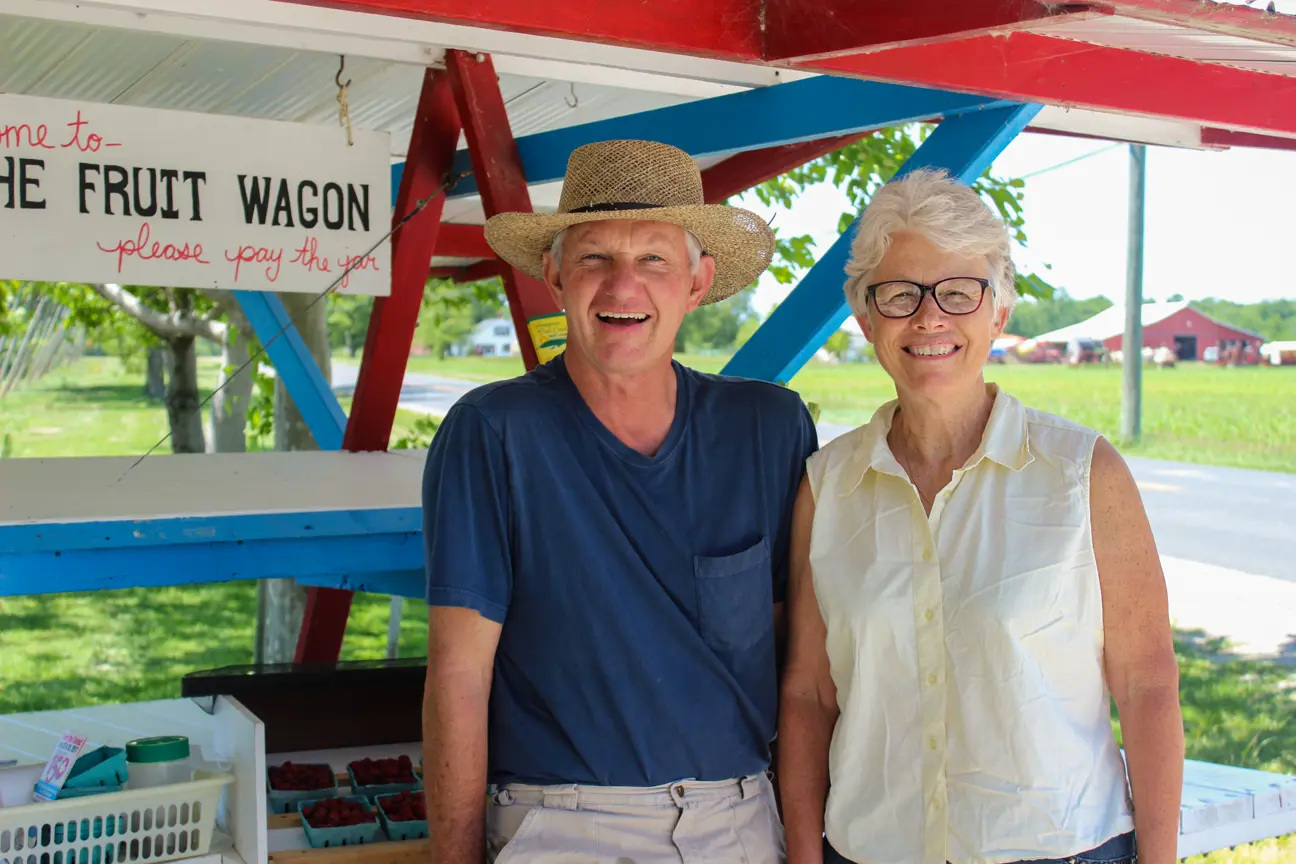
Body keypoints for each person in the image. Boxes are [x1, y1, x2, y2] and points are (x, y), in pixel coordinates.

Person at [421, 139, 817, 864]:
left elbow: (802, 669)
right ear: (556, 274)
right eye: (595, 257)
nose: (622, 287)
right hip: (562, 824)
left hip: (738, 821)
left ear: (697, 284)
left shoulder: (768, 427)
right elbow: (457, 673)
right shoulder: (493, 432)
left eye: (654, 261)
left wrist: (803, 844)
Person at [778, 168, 1183, 864]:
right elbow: (811, 694)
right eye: (901, 293)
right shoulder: (827, 486)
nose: (930, 317)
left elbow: (1146, 684)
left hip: (1063, 849)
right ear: (866, 316)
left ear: (998, 312)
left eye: (959, 291)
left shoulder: (1083, 473)